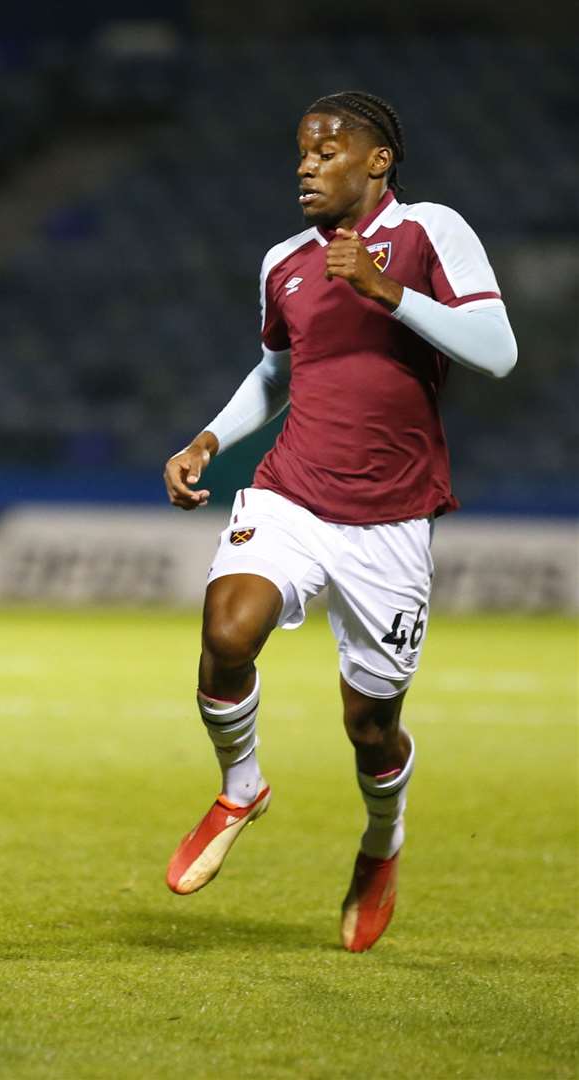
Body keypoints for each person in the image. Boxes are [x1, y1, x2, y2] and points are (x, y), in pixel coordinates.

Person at [161, 92, 517, 951]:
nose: (306, 166)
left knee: (370, 725)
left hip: (392, 520)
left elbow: (498, 350)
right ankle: (240, 787)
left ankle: (380, 841)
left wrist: (389, 291)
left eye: (326, 151)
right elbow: (275, 373)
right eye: (301, 153)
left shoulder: (431, 231)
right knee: (227, 626)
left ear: (377, 160)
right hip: (292, 494)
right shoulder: (284, 262)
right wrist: (208, 439)